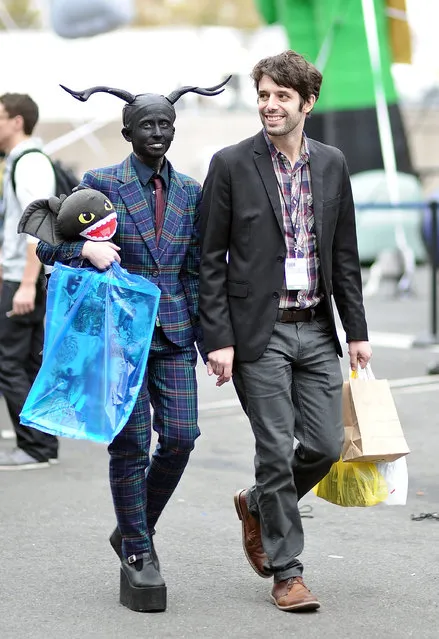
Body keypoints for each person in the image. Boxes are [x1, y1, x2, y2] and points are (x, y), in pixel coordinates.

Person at [36, 77, 230, 613]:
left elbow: (197, 271)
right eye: (147, 124)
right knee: (129, 445)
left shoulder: (192, 190)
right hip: (119, 338)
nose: (158, 132)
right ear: (127, 131)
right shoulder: (100, 182)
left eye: (166, 123)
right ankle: (140, 550)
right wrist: (87, 254)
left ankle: (130, 527)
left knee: (182, 438)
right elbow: (50, 249)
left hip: (172, 334)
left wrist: (213, 340)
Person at [199, 50, 372, 612]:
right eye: (264, 96)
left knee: (323, 445)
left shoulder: (332, 164)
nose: (270, 106)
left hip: (317, 328)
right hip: (259, 332)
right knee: (275, 449)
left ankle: (256, 504)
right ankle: (287, 572)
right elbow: (209, 259)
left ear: (307, 103)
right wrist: (218, 338)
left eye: (281, 97)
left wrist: (358, 332)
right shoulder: (230, 164)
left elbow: (343, 254)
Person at [0, 93, 59, 470]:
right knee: (28, 363)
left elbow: (38, 231)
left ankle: (35, 446)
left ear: (16, 121)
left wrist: (24, 284)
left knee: (10, 363)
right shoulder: (21, 162)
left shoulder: (29, 162)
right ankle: (42, 444)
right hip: (23, 277)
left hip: (25, 280)